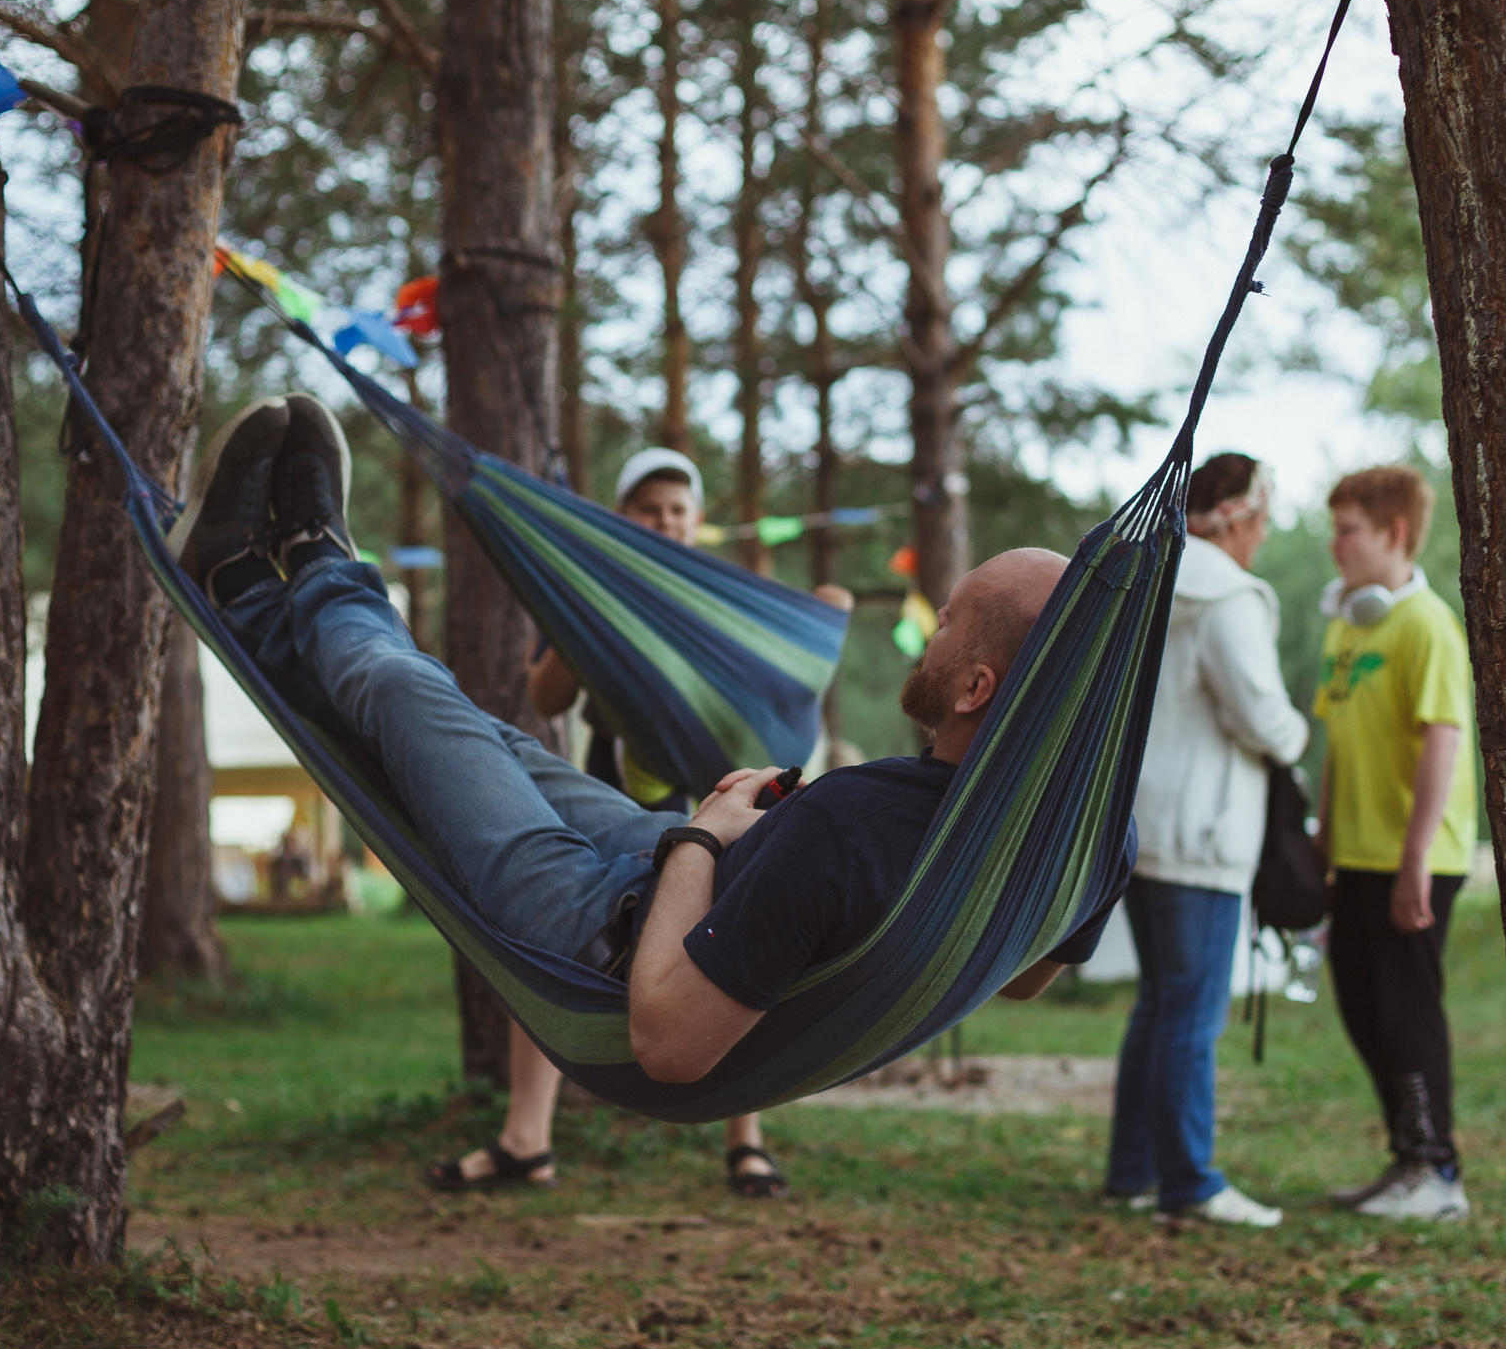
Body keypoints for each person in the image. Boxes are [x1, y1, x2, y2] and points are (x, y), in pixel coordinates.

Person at [177, 395, 1122, 1106]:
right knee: (458, 729)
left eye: (947, 622)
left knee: (407, 691)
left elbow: (668, 1042)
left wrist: (702, 839)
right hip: (672, 859)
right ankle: (259, 593)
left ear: (975, 689)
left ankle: (310, 563)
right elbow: (1031, 970)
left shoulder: (846, 826)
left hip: (599, 937)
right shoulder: (1082, 842)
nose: (929, 634)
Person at [433, 448, 850, 1199]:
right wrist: (580, 608)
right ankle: (525, 1139)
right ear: (621, 518)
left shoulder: (720, 593)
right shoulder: (591, 588)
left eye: (677, 510)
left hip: (720, 783)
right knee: (552, 932)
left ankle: (743, 1138)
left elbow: (791, 658)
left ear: (697, 523)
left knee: (735, 945)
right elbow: (548, 697)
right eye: (648, 509)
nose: (664, 521)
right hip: (612, 781)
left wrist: (822, 610)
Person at [1103, 452, 1309, 1228]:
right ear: (1239, 517)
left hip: (1141, 821)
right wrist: (1297, 733)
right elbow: (1261, 714)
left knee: (1158, 1005)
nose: (1263, 534)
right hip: (1204, 828)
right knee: (1190, 1013)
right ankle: (1188, 1180)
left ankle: (1132, 1171)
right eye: (1262, 518)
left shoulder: (1152, 588)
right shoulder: (1227, 598)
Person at [1313, 466, 1477, 1224]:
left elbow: (1441, 744)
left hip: (1417, 858)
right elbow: (1337, 744)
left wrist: (1416, 861)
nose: (1336, 543)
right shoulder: (1348, 625)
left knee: (1407, 1010)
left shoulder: (1427, 626)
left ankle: (1438, 1171)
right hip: (1356, 855)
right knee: (1362, 1006)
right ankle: (1406, 1156)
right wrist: (1323, 838)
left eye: (1348, 529)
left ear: (1395, 535)